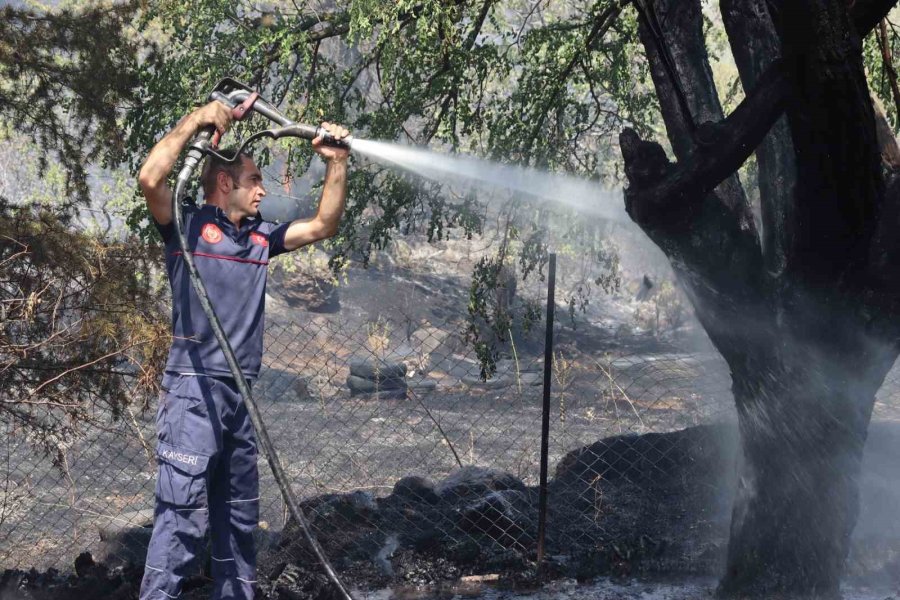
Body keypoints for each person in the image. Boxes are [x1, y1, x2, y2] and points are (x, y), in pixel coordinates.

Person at [136, 101, 350, 600]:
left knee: (238, 525)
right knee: (181, 522)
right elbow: (149, 178)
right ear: (224, 183)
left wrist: (336, 162)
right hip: (192, 393)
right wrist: (196, 118)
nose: (263, 190)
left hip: (240, 396)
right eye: (254, 180)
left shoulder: (261, 238)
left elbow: (323, 225)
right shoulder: (185, 227)